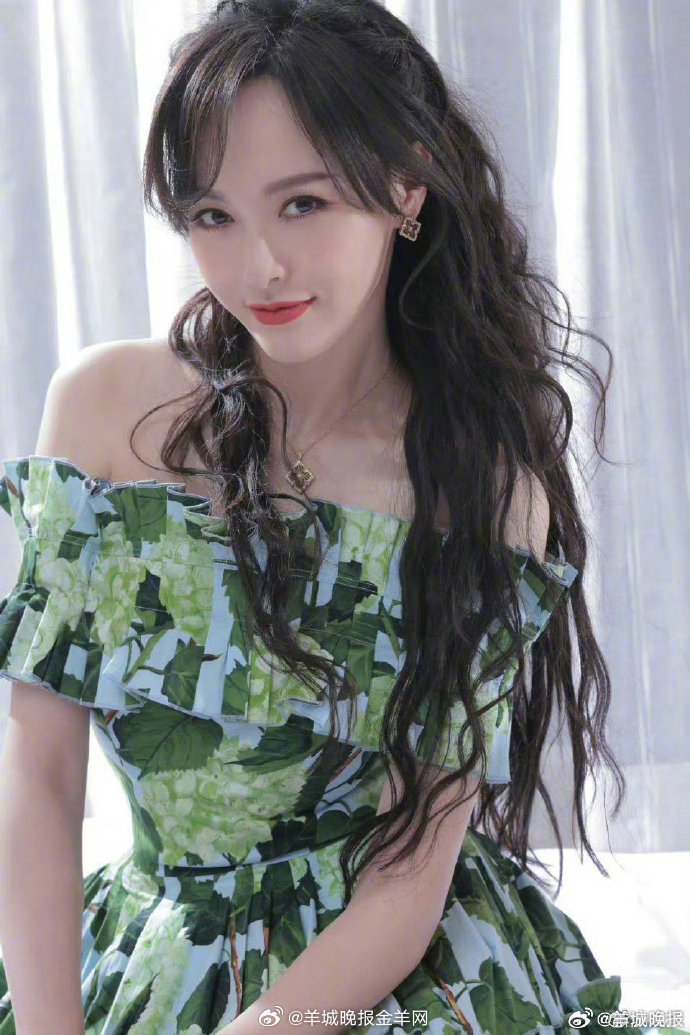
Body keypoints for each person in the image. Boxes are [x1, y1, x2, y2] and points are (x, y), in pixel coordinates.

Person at [0, 2, 682, 1034]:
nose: (259, 267)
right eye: (213, 215)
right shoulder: (103, 411)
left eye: (303, 204)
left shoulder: (480, 487)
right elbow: (39, 781)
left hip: (391, 973)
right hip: (159, 948)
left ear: (406, 190)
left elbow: (407, 879)